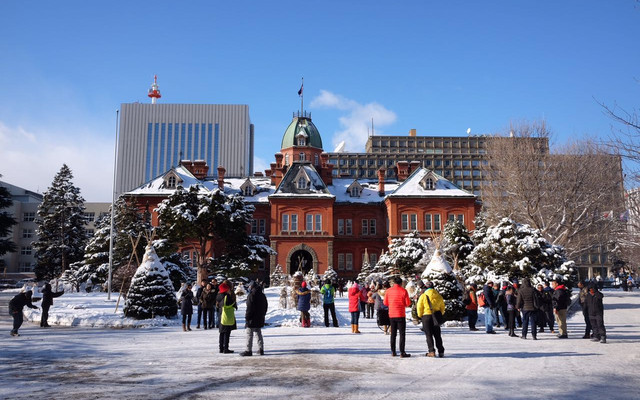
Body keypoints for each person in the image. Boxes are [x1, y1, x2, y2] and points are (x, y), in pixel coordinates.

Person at [384, 276, 412, 357]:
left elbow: (385, 303)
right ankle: (402, 352)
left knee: (393, 333)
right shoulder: (403, 291)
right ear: (401, 283)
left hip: (392, 314)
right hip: (400, 314)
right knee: (402, 334)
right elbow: (407, 303)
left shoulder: (388, 291)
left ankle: (393, 351)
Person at [416, 281, 445, 357]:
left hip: (426, 316)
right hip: (436, 316)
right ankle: (441, 351)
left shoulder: (423, 296)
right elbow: (442, 307)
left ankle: (431, 351)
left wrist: (420, 315)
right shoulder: (438, 296)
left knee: (429, 335)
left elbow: (419, 307)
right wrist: (439, 314)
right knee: (437, 335)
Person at [241, 281, 268, 356]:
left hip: (252, 318)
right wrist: (263, 314)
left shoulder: (251, 295)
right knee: (258, 333)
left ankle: (248, 350)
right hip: (260, 317)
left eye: (249, 286)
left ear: (252, 287)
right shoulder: (262, 295)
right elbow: (265, 306)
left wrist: (247, 317)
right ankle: (261, 349)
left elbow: (249, 307)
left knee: (249, 334)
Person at [217, 280, 237, 353]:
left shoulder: (219, 295)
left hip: (221, 314)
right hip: (227, 315)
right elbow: (230, 304)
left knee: (221, 332)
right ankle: (226, 348)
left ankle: (221, 348)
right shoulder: (227, 296)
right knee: (227, 332)